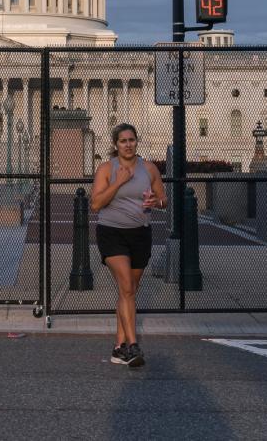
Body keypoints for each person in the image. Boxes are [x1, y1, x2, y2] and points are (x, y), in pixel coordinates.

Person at [90, 123, 166, 367]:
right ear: (116, 145)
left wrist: (157, 202)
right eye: (123, 141)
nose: (128, 144)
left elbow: (163, 199)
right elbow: (95, 204)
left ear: (136, 141)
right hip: (111, 232)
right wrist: (118, 181)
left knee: (129, 290)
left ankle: (118, 347)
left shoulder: (149, 168)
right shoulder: (106, 169)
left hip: (140, 233)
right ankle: (133, 346)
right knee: (126, 285)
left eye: (131, 140)